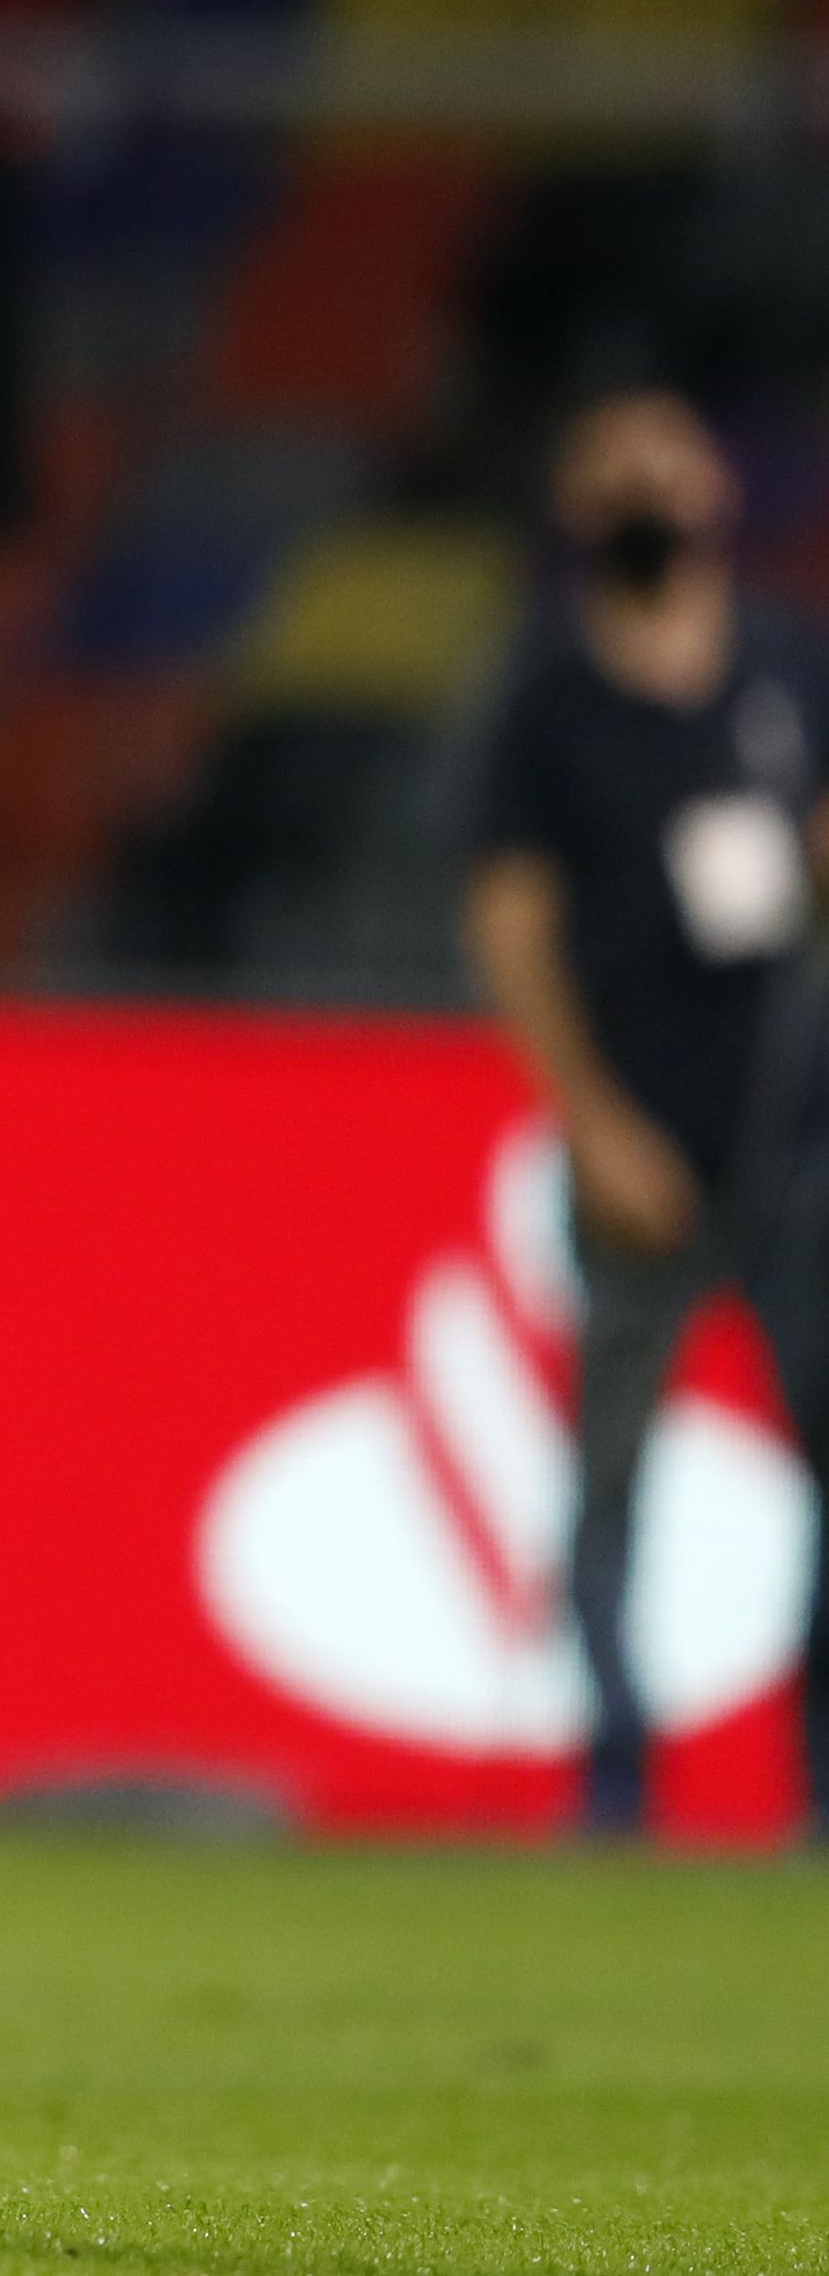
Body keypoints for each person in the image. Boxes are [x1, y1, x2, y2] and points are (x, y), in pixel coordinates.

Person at [462, 385, 829, 1840]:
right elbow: (507, 924)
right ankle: (613, 1779)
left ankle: (816, 1786)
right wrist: (592, 1123)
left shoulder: (784, 668)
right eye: (612, 470)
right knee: (608, 1469)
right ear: (572, 508)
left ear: (716, 491)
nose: (644, 494)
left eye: (665, 464)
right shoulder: (543, 699)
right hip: (632, 1141)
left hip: (795, 1136)